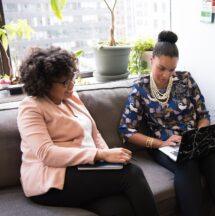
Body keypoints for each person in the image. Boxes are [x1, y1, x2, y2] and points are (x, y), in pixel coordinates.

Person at [17, 46, 159, 216]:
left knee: (119, 208)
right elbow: (46, 154)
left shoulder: (70, 97)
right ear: (44, 83)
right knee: (132, 173)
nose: (71, 83)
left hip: (83, 169)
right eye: (64, 82)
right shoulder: (31, 108)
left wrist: (110, 159)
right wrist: (100, 155)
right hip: (51, 180)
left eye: (72, 77)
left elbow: (94, 132)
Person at [119, 31, 215, 216]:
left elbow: (203, 114)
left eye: (172, 69)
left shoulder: (186, 80)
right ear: (152, 59)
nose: (167, 75)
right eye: (162, 68)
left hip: (194, 139)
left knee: (213, 158)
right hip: (165, 145)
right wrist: (161, 143)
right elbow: (126, 130)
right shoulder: (140, 88)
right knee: (187, 164)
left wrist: (200, 135)